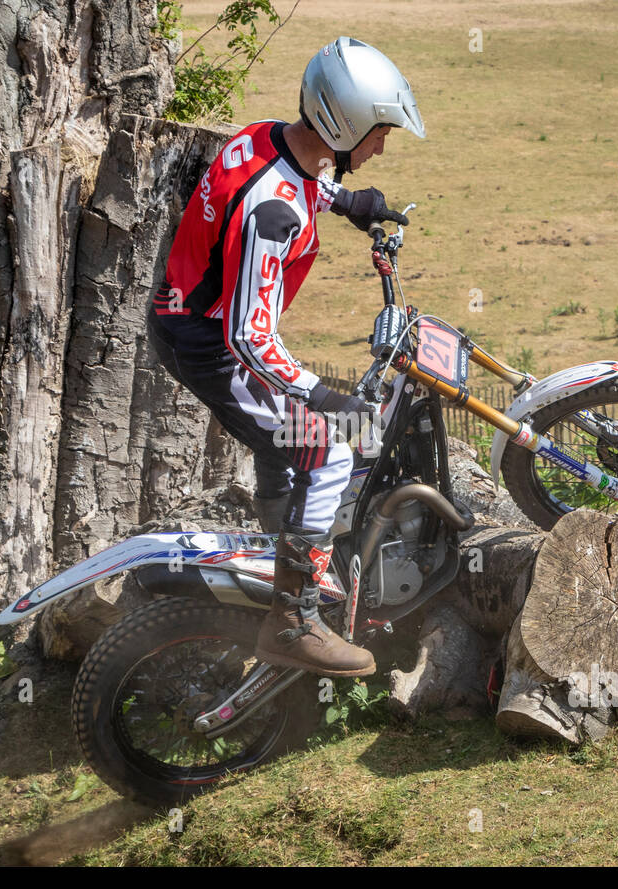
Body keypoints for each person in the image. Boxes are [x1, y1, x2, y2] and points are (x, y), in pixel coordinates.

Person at [148, 36, 425, 677]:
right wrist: (322, 397)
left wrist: (344, 200)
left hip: (191, 319)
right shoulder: (270, 218)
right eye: (379, 132)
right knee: (327, 448)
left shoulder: (267, 136)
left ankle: (282, 526)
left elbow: (292, 175)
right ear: (345, 124)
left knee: (292, 438)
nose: (382, 146)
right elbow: (249, 337)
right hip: (213, 347)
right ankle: (293, 620)